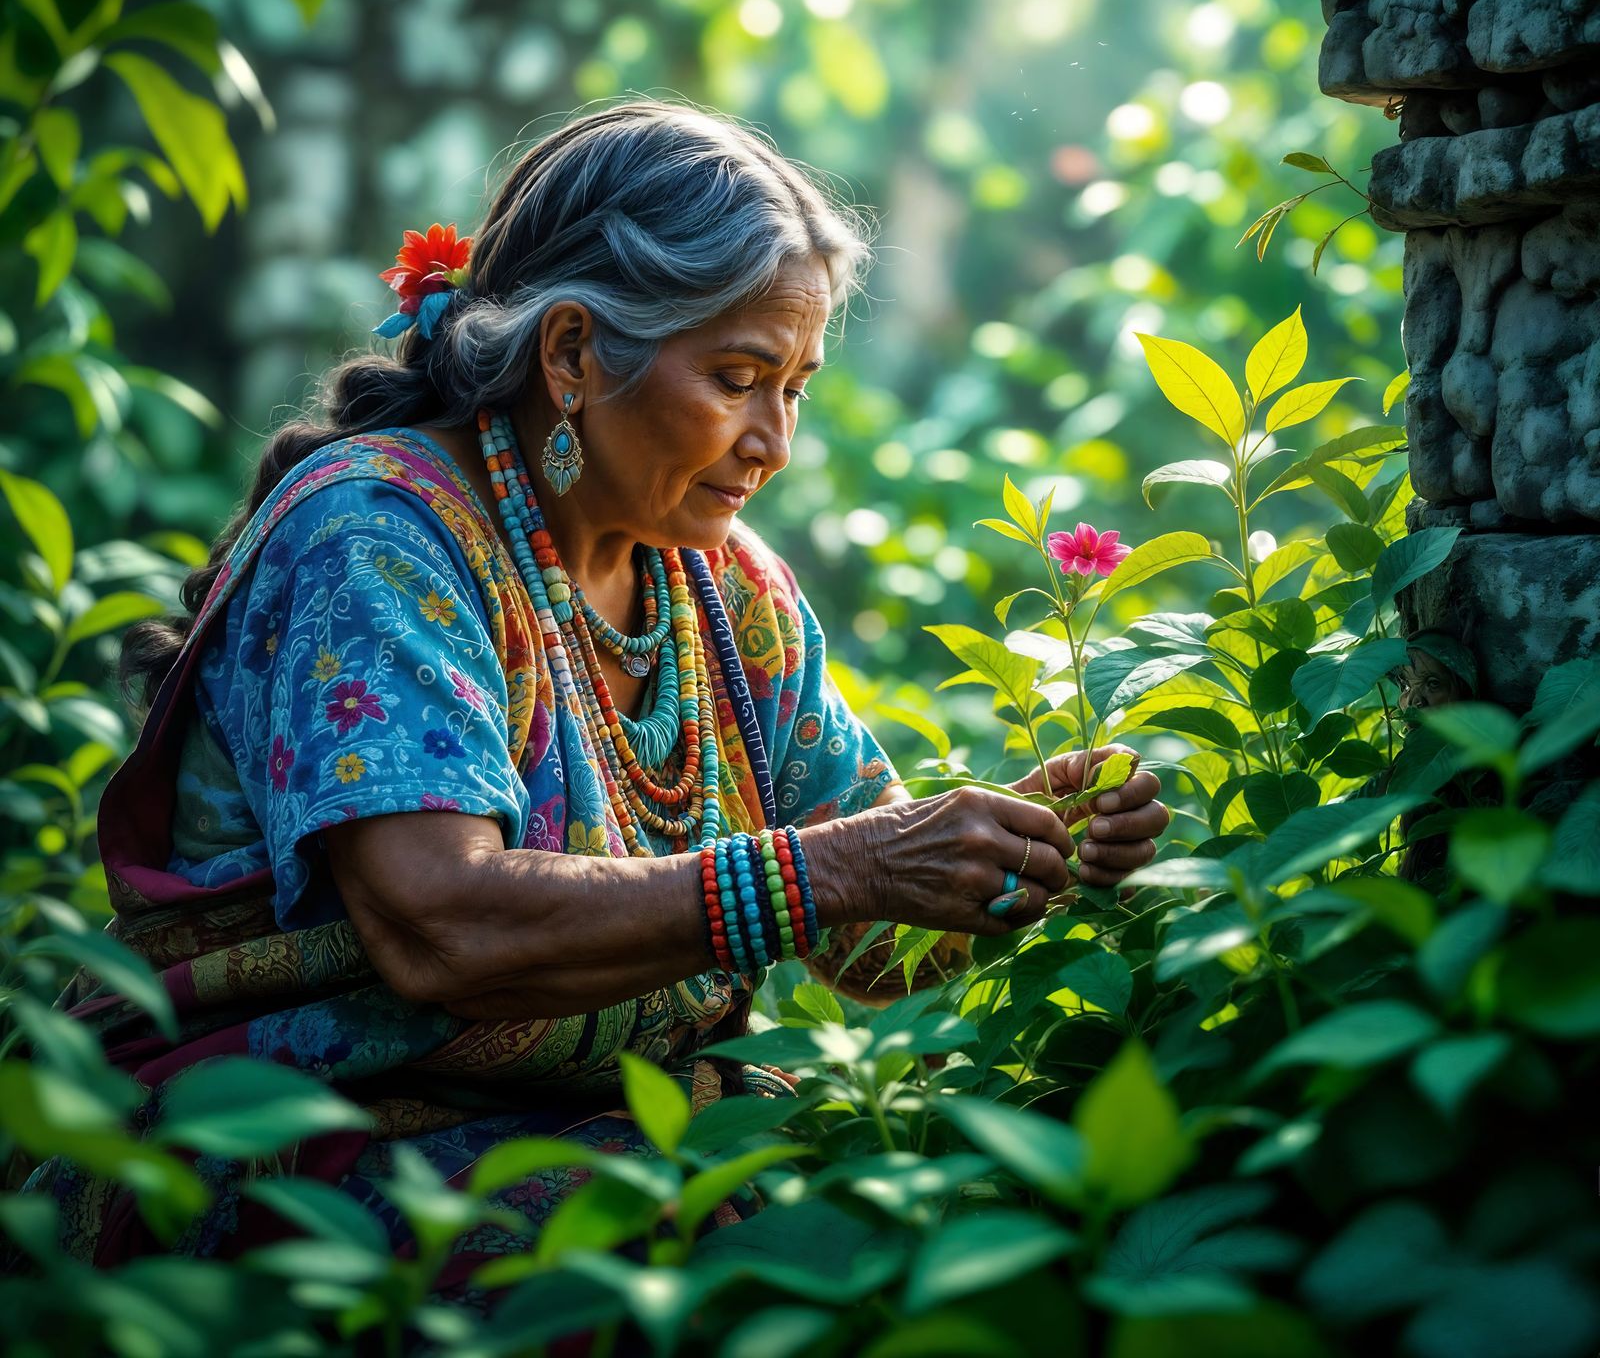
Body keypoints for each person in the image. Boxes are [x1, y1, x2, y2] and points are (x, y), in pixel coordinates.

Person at [31, 99, 1167, 1294]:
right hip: (285, 1126)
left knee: (923, 1224)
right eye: (737, 377)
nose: (772, 440)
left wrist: (1022, 850)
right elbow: (440, 926)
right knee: (681, 1282)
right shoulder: (378, 533)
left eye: (797, 388)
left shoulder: (727, 595)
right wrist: (841, 865)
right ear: (571, 353)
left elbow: (868, 948)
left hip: (594, 1129)